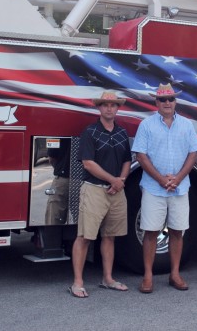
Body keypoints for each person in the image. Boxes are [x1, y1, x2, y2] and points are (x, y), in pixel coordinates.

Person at [132, 83, 197, 294]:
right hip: (154, 188)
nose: (167, 103)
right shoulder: (146, 125)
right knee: (151, 232)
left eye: (171, 99)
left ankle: (175, 274)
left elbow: (193, 154)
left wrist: (179, 178)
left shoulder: (187, 125)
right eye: (163, 99)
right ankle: (147, 276)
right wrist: (161, 179)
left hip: (180, 188)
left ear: (175, 102)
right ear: (156, 103)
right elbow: (140, 155)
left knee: (177, 232)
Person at [69, 91, 132, 298]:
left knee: (110, 236)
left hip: (116, 191)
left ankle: (108, 278)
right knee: (84, 236)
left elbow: (126, 160)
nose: (109, 108)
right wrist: (112, 180)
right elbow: (88, 163)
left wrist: (120, 181)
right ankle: (77, 282)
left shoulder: (122, 133)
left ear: (117, 108)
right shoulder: (90, 132)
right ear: (99, 107)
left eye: (113, 105)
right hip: (94, 190)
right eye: (105, 105)